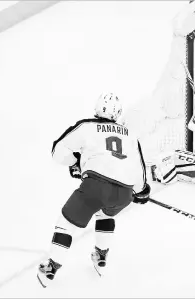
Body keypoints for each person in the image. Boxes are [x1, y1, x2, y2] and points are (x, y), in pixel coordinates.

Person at [37, 92, 151, 288]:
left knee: (66, 224)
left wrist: (76, 163)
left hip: (95, 187)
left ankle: (51, 267)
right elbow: (139, 173)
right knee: (105, 214)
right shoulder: (131, 135)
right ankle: (101, 256)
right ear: (118, 113)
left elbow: (58, 151)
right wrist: (141, 192)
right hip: (123, 194)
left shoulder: (87, 126)